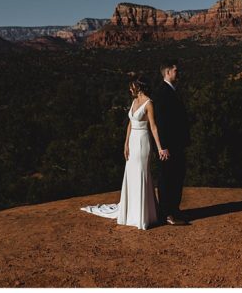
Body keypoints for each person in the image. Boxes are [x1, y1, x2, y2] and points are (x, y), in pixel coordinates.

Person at [79, 78, 163, 229]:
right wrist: (125, 144)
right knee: (131, 175)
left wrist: (159, 147)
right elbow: (130, 124)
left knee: (142, 174)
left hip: (143, 142)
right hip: (132, 141)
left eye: (132, 88)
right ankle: (131, 211)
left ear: (139, 87)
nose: (130, 90)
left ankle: (143, 216)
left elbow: (153, 127)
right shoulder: (134, 101)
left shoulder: (149, 103)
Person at [152, 59, 190, 226]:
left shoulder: (172, 90)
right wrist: (163, 147)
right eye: (175, 70)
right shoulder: (162, 93)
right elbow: (161, 123)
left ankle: (174, 210)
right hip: (168, 147)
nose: (178, 72)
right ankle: (167, 214)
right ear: (167, 72)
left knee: (176, 176)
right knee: (167, 178)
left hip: (177, 144)